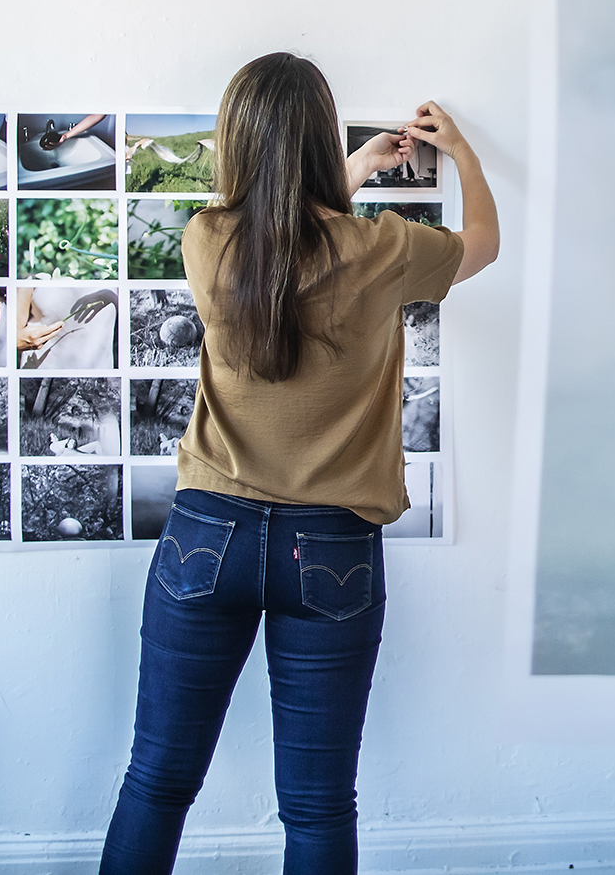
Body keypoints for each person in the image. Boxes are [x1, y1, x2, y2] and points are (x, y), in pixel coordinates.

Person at [99, 54, 498, 875]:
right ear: (322, 139)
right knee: (317, 808)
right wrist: (463, 151)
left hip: (207, 536)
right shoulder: (383, 248)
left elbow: (291, 244)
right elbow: (482, 245)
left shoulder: (207, 239)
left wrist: (351, 172)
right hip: (333, 552)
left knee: (156, 780)